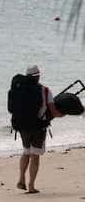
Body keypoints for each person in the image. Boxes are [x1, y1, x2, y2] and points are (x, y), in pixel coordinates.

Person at [14, 66, 63, 194]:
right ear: (38, 76)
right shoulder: (45, 91)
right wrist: (63, 113)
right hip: (39, 127)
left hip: (22, 126)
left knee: (26, 152)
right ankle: (31, 186)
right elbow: (54, 112)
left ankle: (21, 178)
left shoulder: (18, 89)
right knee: (35, 156)